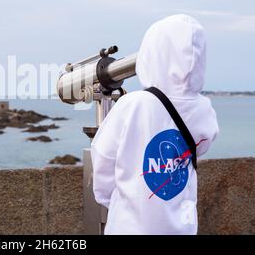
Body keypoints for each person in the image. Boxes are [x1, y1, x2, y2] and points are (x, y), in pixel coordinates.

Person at [91, 14, 219, 235]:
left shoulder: (133, 104)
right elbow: (201, 145)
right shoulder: (204, 110)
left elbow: (103, 159)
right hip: (181, 227)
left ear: (151, 54)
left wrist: (121, 201)